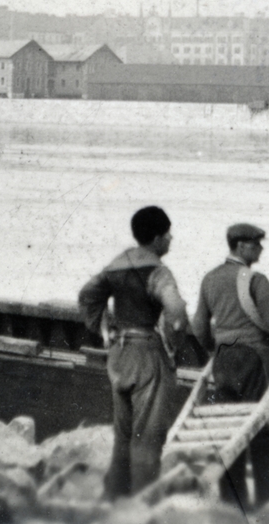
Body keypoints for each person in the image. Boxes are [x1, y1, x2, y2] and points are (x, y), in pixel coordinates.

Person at [78, 205, 191, 499]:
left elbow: (87, 296)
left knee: (123, 438)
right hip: (147, 357)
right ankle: (143, 508)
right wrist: (173, 344)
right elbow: (176, 312)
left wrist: (104, 328)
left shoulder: (116, 266)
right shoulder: (157, 271)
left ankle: (114, 502)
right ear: (157, 238)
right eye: (168, 234)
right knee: (147, 441)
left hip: (119, 356)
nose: (171, 239)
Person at [191, 222, 269, 510]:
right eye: (256, 244)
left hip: (223, 361)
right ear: (240, 246)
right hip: (254, 360)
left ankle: (231, 505)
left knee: (230, 430)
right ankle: (268, 505)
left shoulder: (210, 279)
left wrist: (215, 348)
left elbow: (198, 326)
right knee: (262, 429)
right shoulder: (256, 281)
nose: (260, 249)